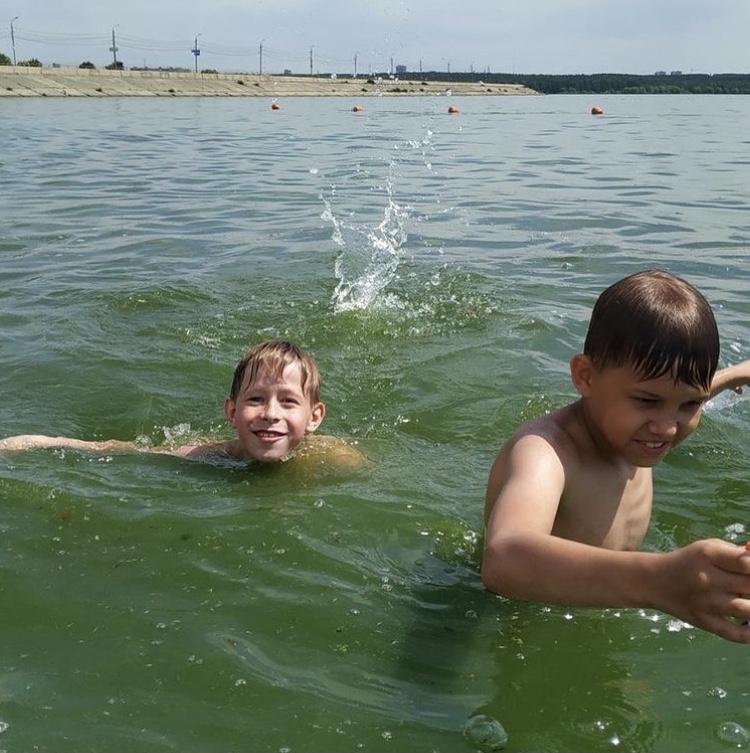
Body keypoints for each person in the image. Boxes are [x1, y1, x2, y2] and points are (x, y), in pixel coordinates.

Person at [482, 269, 750, 643]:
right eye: (647, 401)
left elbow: (675, 393)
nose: (668, 428)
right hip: (518, 627)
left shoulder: (637, 433)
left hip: (607, 609)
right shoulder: (547, 454)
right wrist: (660, 581)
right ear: (585, 377)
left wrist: (737, 374)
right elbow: (504, 558)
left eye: (690, 404)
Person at [0, 339, 363, 468]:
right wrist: (40, 442)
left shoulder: (335, 457)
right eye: (256, 399)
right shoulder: (205, 456)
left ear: (314, 417)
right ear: (232, 412)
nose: (270, 413)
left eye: (288, 401)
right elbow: (125, 451)